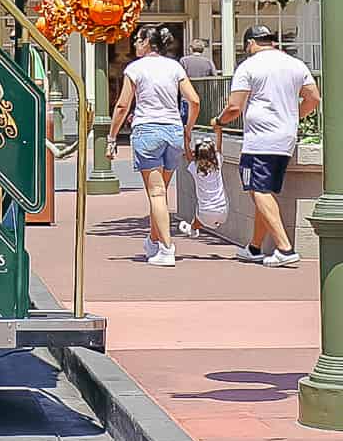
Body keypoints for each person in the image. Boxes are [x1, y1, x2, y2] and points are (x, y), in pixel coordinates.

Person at [215, 25, 317, 266]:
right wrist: (293, 116)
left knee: (258, 190)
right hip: (285, 138)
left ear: (250, 43)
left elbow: (234, 107)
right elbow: (313, 98)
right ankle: (255, 246)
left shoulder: (248, 67)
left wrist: (218, 122)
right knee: (265, 192)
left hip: (259, 140)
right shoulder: (295, 64)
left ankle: (284, 248)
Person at [106, 27, 199, 266]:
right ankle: (153, 240)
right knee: (160, 193)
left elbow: (122, 105)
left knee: (156, 194)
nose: (135, 45)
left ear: (147, 43)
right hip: (173, 131)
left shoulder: (135, 69)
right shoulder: (175, 67)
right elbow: (194, 100)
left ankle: (167, 248)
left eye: (138, 40)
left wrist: (112, 137)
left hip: (148, 129)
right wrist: (187, 129)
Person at [176, 127, 227, 239]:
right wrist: (219, 130)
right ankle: (208, 225)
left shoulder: (194, 167)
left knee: (199, 210)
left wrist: (186, 137)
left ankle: (193, 228)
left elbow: (188, 153)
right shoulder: (218, 163)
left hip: (205, 214)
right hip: (223, 211)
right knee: (215, 203)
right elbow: (219, 145)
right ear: (213, 153)